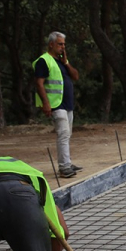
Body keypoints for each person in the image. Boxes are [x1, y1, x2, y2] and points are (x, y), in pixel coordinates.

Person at [34, 32, 82, 178]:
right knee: (63, 134)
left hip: (67, 104)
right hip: (56, 104)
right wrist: (46, 103)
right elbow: (39, 83)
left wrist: (66, 62)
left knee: (67, 134)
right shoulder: (44, 61)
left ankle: (67, 162)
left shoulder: (61, 61)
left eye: (64, 44)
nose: (63, 47)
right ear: (51, 44)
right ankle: (64, 167)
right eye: (60, 44)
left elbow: (75, 76)